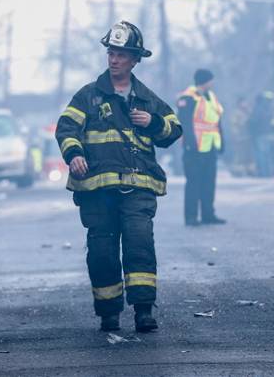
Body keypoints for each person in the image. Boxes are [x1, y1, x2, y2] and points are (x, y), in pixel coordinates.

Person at [55, 20, 182, 333]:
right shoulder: (88, 96)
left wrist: (153, 122)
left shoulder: (147, 99)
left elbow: (174, 130)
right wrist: (75, 155)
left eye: (121, 54)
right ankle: (109, 314)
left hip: (138, 188)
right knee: (102, 253)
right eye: (111, 52)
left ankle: (143, 312)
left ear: (135, 59)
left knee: (140, 247)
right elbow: (66, 128)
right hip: (98, 192)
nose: (114, 59)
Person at [177, 69, 226, 226]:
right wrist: (191, 144)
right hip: (194, 148)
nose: (213, 83)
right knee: (194, 182)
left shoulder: (211, 97)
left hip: (210, 146)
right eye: (211, 80)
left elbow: (216, 121)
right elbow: (185, 123)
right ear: (204, 81)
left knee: (209, 181)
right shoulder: (188, 98)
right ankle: (191, 217)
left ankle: (208, 214)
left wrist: (222, 142)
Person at [249, 91, 274, 177]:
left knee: (261, 154)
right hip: (268, 134)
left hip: (260, 134)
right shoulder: (269, 109)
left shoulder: (258, 109)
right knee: (267, 155)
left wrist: (252, 131)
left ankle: (263, 174)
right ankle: (268, 173)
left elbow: (254, 121)